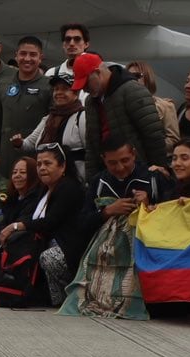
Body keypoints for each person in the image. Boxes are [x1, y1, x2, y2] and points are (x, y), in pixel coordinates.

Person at [60, 136, 154, 320]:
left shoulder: (152, 177)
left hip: (140, 249)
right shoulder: (98, 182)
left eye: (125, 160)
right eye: (112, 163)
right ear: (103, 160)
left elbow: (169, 210)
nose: (120, 167)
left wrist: (150, 205)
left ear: (134, 154)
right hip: (102, 253)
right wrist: (107, 211)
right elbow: (82, 222)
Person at [0, 145, 87, 307]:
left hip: (70, 248)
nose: (42, 168)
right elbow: (31, 218)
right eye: (39, 164)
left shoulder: (68, 187)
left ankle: (63, 300)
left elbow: (50, 222)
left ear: (63, 166)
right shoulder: (44, 189)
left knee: (48, 258)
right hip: (46, 243)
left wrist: (17, 226)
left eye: (47, 163)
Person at [82, 54, 169, 176]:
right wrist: (91, 180)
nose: (84, 89)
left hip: (138, 169)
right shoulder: (91, 101)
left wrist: (159, 170)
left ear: (98, 73)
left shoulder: (132, 90)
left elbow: (153, 135)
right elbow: (91, 143)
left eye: (86, 83)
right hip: (108, 173)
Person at [22, 69, 89, 181]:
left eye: (65, 89)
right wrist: (19, 142)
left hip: (76, 183)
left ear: (76, 93)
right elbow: (29, 144)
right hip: (48, 183)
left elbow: (91, 152)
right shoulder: (49, 118)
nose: (59, 93)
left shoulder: (82, 117)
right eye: (56, 89)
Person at [0, 37, 51, 158]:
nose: (27, 59)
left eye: (33, 55)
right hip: (6, 154)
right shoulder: (3, 85)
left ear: (40, 58)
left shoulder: (49, 86)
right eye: (23, 54)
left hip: (35, 156)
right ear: (16, 56)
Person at [125, 61, 179, 143]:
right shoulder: (121, 105)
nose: (132, 79)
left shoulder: (165, 106)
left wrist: (150, 146)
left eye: (137, 75)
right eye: (128, 76)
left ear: (147, 77)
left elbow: (174, 140)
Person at [0, 156, 38, 235]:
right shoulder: (11, 198)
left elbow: (13, 231)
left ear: (33, 175)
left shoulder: (34, 200)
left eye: (22, 172)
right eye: (14, 172)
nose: (17, 175)